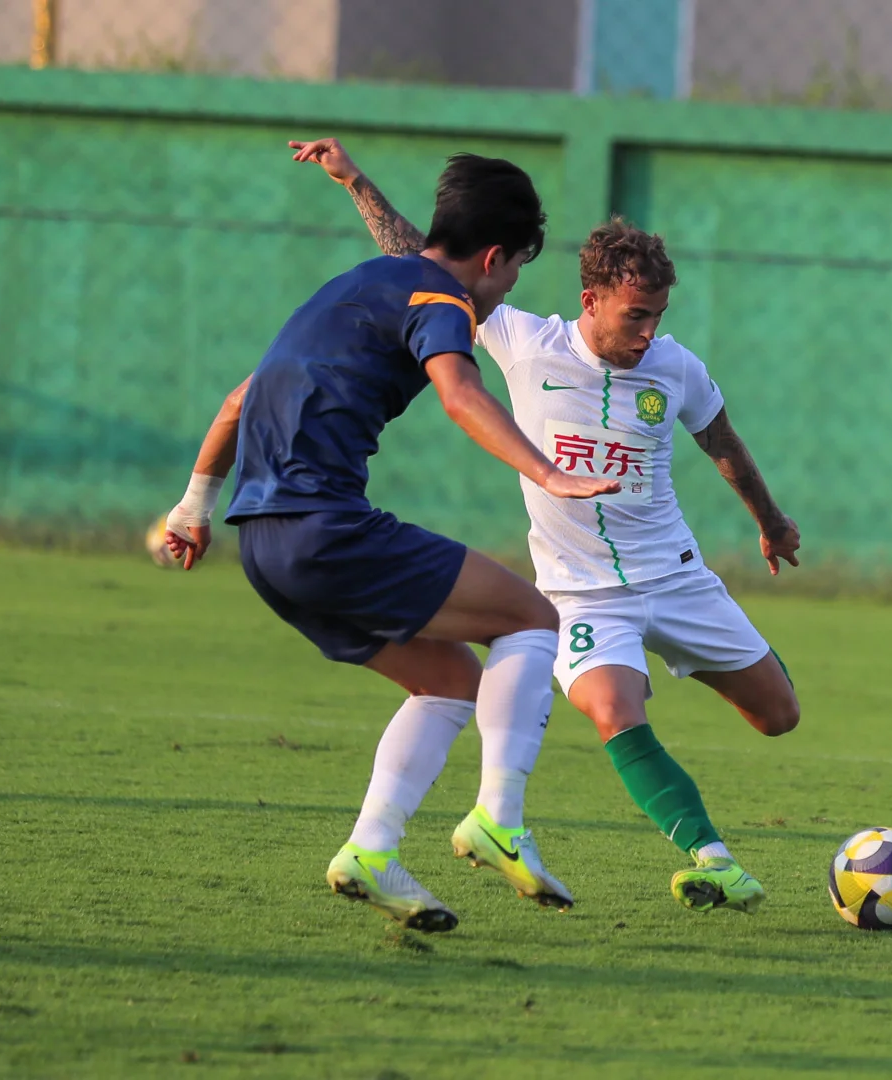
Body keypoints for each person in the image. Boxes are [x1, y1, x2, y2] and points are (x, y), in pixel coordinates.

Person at [291, 137, 802, 914]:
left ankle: (709, 696)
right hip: (581, 595)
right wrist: (355, 182)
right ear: (592, 300)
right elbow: (418, 265)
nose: (647, 333)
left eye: (659, 317)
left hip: (678, 575)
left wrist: (770, 522)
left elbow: (722, 442)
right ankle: (712, 857)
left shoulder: (677, 369)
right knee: (612, 709)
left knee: (779, 716)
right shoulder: (525, 341)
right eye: (635, 316)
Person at [162, 152, 618, 933]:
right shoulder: (442, 300)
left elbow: (241, 398)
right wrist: (551, 474)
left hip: (262, 549)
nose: (507, 291)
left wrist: (191, 507)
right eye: (512, 274)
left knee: (446, 680)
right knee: (533, 619)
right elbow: (459, 391)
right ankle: (499, 819)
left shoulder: (358, 284)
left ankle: (371, 851)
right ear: (492, 257)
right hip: (325, 528)